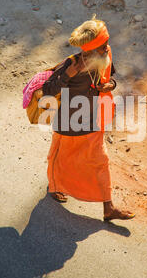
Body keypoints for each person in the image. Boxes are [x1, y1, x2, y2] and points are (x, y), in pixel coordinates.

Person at [42, 16, 135, 221]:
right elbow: (47, 91)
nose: (106, 48)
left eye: (106, 44)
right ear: (89, 48)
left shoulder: (106, 55)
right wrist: (68, 75)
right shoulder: (71, 64)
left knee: (100, 162)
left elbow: (112, 76)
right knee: (60, 160)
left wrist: (111, 85)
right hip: (67, 124)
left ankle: (108, 208)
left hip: (94, 120)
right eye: (102, 46)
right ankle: (55, 186)